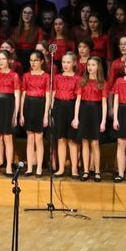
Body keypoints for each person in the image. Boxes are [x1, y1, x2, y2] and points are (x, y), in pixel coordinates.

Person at [0, 50, 21, 176]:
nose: (1, 61)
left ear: (9, 60)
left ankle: (8, 167)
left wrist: (15, 114)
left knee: (8, 137)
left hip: (8, 105)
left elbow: (17, 96)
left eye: (3, 59)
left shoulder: (14, 76)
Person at [73, 56, 106, 181]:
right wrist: (76, 118)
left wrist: (103, 121)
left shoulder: (102, 83)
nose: (90, 67)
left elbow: (104, 103)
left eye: (93, 65)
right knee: (85, 142)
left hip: (96, 112)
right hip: (84, 111)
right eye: (89, 65)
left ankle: (97, 171)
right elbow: (78, 101)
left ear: (98, 67)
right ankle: (86, 171)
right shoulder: (82, 81)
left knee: (95, 143)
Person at [18, 50, 50, 176]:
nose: (33, 63)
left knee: (39, 138)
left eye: (36, 60)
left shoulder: (46, 76)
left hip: (40, 105)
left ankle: (39, 168)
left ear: (41, 61)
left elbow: (48, 96)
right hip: (28, 105)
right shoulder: (26, 75)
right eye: (31, 60)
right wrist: (21, 113)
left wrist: (46, 115)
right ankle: (30, 167)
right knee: (30, 138)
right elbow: (23, 94)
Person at [51, 51, 81, 179]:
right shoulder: (57, 77)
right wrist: (51, 109)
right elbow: (54, 93)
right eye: (64, 62)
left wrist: (76, 116)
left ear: (74, 63)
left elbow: (78, 97)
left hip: (71, 106)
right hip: (59, 107)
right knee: (60, 139)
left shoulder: (77, 78)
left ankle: (74, 168)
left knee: (72, 140)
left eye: (68, 62)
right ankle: (61, 168)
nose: (65, 64)